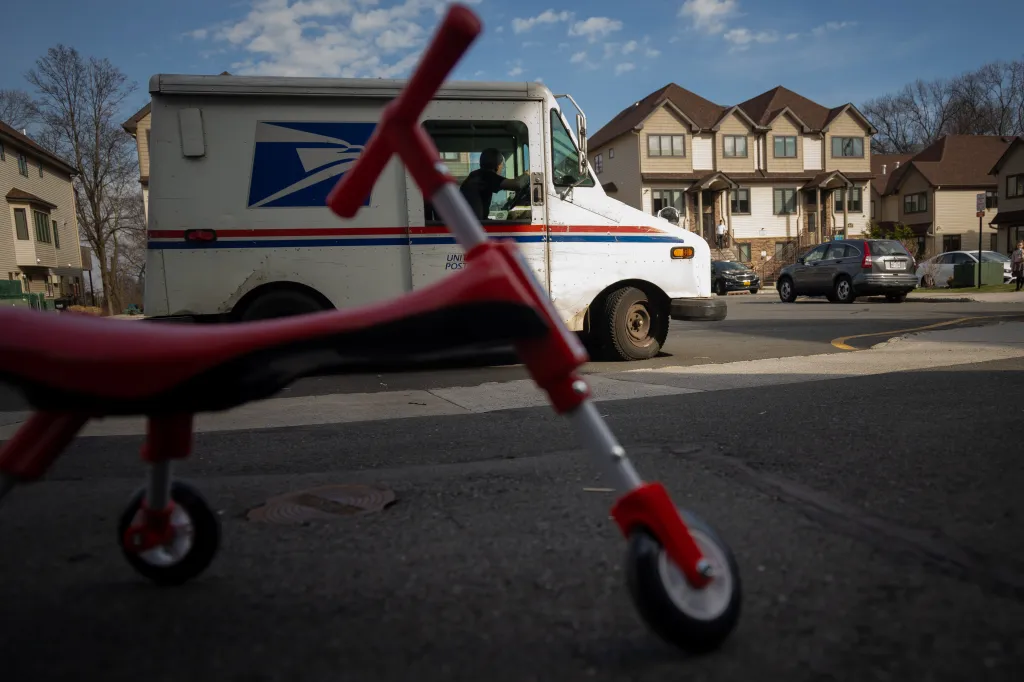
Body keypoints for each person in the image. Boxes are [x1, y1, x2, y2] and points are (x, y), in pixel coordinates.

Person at [458, 148, 530, 221]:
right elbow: (517, 184)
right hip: (475, 224)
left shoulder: (475, 175)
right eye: (502, 165)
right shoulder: (486, 176)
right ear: (498, 166)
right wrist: (528, 173)